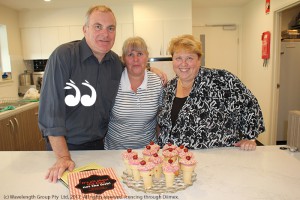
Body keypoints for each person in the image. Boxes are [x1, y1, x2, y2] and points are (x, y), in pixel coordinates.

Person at [38, 5, 166, 183]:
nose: (105, 34)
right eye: (98, 26)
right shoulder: (63, 56)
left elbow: (134, 66)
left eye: (110, 28)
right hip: (65, 148)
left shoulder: (114, 63)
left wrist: (153, 70)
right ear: (85, 29)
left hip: (100, 147)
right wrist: (62, 157)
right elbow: (51, 113)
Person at [157, 34, 265, 151]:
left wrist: (250, 137)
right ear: (172, 60)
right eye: (178, 58)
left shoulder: (221, 79)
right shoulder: (170, 87)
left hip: (214, 158)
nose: (183, 64)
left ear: (199, 60)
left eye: (189, 58)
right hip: (175, 159)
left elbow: (249, 103)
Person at [104, 36, 163, 150]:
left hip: (148, 153)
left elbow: (160, 117)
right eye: (130, 54)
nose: (136, 59)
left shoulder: (157, 82)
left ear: (147, 56)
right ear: (124, 59)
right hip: (115, 152)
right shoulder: (113, 82)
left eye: (140, 54)